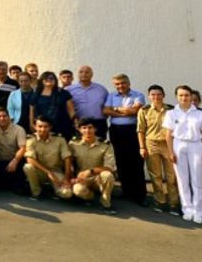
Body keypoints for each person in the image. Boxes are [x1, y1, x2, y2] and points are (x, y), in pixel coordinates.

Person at [162, 85, 202, 224]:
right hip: (178, 145)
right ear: (177, 96)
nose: (184, 98)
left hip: (196, 145)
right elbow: (168, 135)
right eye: (181, 95)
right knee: (182, 180)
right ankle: (187, 209)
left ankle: (198, 211)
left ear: (191, 97)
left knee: (197, 179)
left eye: (187, 95)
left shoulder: (200, 113)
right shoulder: (171, 113)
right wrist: (171, 152)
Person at [103, 73, 147, 206]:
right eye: (117, 84)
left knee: (136, 163)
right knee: (121, 162)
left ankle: (139, 195)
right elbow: (105, 111)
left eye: (123, 83)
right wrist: (123, 111)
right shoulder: (111, 95)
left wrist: (115, 109)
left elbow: (134, 111)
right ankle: (126, 191)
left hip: (133, 131)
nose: (120, 86)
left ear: (128, 83)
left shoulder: (138, 95)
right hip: (116, 131)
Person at [137, 85, 180, 215]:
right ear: (149, 96)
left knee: (171, 176)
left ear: (163, 95)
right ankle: (160, 201)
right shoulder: (144, 110)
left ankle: (174, 203)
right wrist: (142, 147)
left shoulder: (172, 110)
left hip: (168, 144)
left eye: (159, 94)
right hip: (151, 144)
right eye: (153, 95)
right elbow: (140, 130)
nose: (156, 97)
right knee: (156, 175)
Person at [69, 118, 117, 215]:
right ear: (79, 130)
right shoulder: (73, 144)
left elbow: (110, 167)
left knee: (108, 175)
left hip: (97, 178)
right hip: (81, 179)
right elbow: (68, 163)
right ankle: (91, 197)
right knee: (78, 191)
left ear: (95, 129)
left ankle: (105, 203)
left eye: (90, 127)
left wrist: (91, 171)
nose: (87, 131)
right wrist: (72, 178)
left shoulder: (105, 144)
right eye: (84, 128)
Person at [23, 115, 73, 200]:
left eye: (45, 127)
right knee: (28, 167)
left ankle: (55, 190)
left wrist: (67, 178)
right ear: (35, 127)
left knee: (67, 194)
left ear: (50, 127)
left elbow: (67, 158)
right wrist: (48, 172)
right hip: (41, 171)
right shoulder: (31, 140)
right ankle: (36, 192)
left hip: (56, 171)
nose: (42, 129)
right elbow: (30, 159)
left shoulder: (60, 139)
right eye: (40, 126)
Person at [0, 107, 26, 192]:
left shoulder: (19, 129)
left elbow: (23, 148)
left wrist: (15, 161)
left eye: (4, 116)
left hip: (16, 161)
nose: (2, 119)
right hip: (0, 161)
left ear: (9, 116)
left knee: (18, 186)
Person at [66, 66, 108, 139]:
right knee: (79, 147)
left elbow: (107, 106)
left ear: (92, 74)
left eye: (87, 72)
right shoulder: (69, 90)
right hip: (78, 123)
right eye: (81, 72)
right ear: (77, 75)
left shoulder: (101, 89)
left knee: (100, 147)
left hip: (98, 123)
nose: (84, 74)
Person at [34, 71, 76, 141]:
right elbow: (33, 111)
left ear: (55, 80)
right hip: (43, 127)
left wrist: (75, 122)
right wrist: (33, 125)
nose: (49, 80)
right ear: (42, 80)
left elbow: (71, 110)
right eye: (46, 78)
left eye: (51, 78)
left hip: (62, 125)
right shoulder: (37, 94)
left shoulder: (64, 93)